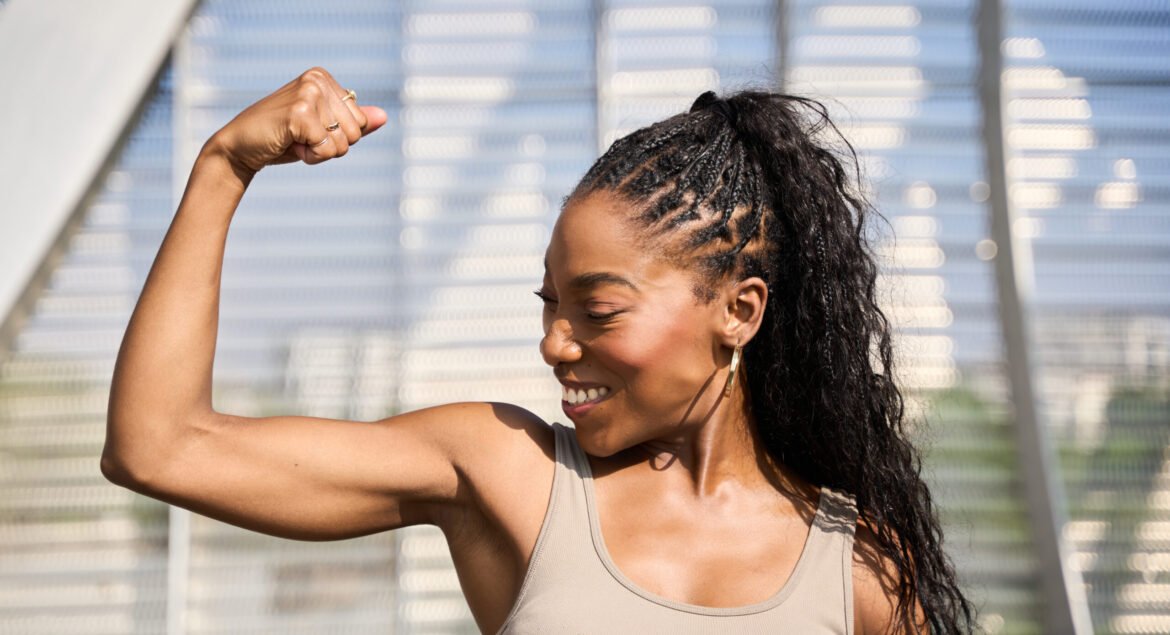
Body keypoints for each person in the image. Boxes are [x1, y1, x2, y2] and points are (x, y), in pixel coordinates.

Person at [103, 67, 973, 633]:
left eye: (597, 309)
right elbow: (161, 446)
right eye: (550, 305)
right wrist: (224, 166)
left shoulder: (858, 573)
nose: (556, 342)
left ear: (738, 312)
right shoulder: (509, 474)